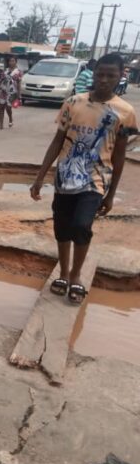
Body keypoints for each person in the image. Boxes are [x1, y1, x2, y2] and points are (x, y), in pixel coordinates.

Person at [30, 53, 137, 304]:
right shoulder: (73, 103)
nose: (104, 79)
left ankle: (76, 275)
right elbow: (57, 141)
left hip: (96, 180)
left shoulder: (125, 112)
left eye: (111, 75)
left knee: (81, 226)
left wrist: (111, 195)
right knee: (62, 227)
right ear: (93, 73)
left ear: (120, 77)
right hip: (65, 177)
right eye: (100, 74)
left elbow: (119, 155)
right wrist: (40, 177)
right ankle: (63, 273)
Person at [0, 56, 22, 129]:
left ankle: (10, 118)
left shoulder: (18, 72)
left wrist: (19, 95)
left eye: (13, 61)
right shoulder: (5, 70)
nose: (11, 62)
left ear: (16, 62)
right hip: (3, 91)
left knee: (8, 108)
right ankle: (1, 125)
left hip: (12, 92)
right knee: (1, 107)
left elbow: (19, 84)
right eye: (10, 61)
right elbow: (0, 81)